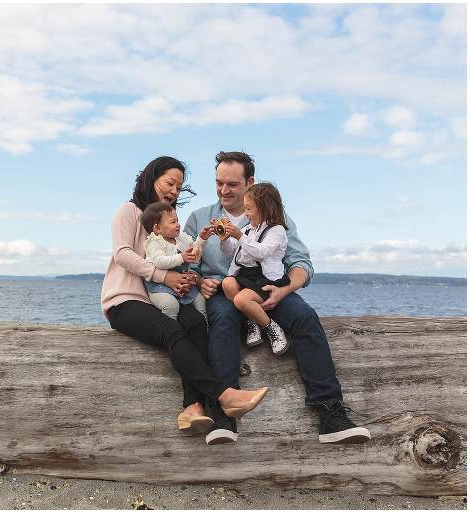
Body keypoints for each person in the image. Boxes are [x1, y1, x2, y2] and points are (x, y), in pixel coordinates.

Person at [184, 151, 371, 445]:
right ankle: (223, 416)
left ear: (250, 182)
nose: (223, 190)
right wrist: (199, 280)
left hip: (270, 286)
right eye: (219, 183)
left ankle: (331, 415)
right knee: (221, 320)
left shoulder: (275, 217)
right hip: (226, 290)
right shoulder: (198, 218)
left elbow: (301, 263)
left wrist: (285, 290)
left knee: (306, 318)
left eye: (232, 184)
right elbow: (187, 264)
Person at [101, 155, 268, 442]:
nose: (174, 191)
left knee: (197, 324)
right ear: (151, 178)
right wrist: (164, 277)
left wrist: (190, 277)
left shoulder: (168, 225)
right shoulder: (128, 211)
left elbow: (183, 257)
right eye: (169, 183)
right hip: (125, 300)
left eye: (179, 187)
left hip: (157, 298)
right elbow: (123, 254)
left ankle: (193, 408)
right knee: (172, 332)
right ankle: (224, 397)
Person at [220, 182, 291, 355]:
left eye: (249, 209)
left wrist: (239, 235)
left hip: (265, 278)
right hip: (247, 275)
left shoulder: (277, 230)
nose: (246, 213)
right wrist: (224, 238)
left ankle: (271, 328)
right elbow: (230, 251)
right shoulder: (248, 229)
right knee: (227, 283)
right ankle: (252, 320)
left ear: (265, 208)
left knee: (240, 301)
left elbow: (261, 252)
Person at [140, 201, 213, 320]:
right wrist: (181, 257)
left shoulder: (181, 239)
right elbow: (159, 262)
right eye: (173, 222)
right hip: (160, 287)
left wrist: (201, 239)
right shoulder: (154, 242)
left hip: (182, 283)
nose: (178, 224)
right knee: (170, 305)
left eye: (177, 220)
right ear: (157, 228)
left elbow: (195, 255)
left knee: (200, 300)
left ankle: (205, 329)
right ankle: (171, 331)